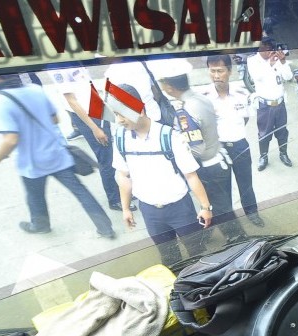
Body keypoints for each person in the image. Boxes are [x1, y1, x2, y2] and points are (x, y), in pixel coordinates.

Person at [0, 74, 116, 238]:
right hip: (56, 154)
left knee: (35, 196)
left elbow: (10, 140)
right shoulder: (35, 90)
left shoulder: (1, 101)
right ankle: (106, 228)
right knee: (81, 192)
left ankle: (40, 225)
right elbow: (54, 119)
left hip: (31, 162)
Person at [110, 83, 213, 267]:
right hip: (149, 211)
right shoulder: (121, 139)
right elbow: (123, 175)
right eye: (115, 114)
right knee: (168, 257)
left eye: (121, 114)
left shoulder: (169, 136)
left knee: (196, 251)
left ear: (139, 109)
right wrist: (126, 208)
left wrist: (205, 206)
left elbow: (191, 175)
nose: (118, 120)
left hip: (180, 209)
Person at [155, 59, 248, 241]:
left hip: (208, 168)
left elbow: (196, 150)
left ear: (168, 86)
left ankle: (239, 242)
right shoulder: (201, 98)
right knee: (224, 206)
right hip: (219, 160)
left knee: (222, 212)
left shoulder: (185, 112)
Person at [47, 65, 135, 211]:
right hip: (88, 117)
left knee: (114, 152)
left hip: (97, 108)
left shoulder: (76, 59)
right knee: (106, 158)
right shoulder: (59, 68)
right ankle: (114, 199)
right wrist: (94, 128)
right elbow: (72, 101)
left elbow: (87, 86)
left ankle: (123, 189)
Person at [204, 55, 265, 228]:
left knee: (245, 182)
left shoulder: (241, 93)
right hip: (218, 149)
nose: (216, 75)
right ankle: (228, 221)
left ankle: (252, 213)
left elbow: (245, 118)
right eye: (212, 71)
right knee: (222, 188)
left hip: (239, 145)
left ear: (229, 71)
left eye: (220, 71)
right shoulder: (204, 97)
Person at [246, 38, 294, 174]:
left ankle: (283, 153)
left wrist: (283, 62)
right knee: (264, 133)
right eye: (266, 48)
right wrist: (270, 65)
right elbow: (257, 77)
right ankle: (263, 156)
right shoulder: (252, 60)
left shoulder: (277, 58)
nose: (269, 51)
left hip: (279, 104)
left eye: (271, 48)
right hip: (265, 106)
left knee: (282, 132)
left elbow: (288, 76)